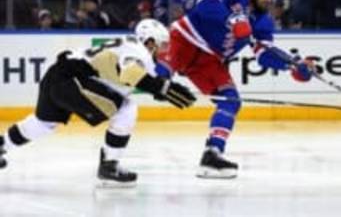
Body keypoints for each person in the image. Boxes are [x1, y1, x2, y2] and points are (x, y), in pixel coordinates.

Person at [154, 0, 313, 179]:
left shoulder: (263, 21)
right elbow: (204, 3)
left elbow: (264, 54)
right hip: (185, 39)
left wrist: (292, 64)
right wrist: (232, 20)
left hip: (209, 61)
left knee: (231, 100)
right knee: (158, 79)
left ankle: (212, 154)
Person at [0, 19, 196, 186]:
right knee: (126, 108)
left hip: (57, 74)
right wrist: (164, 88)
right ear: (150, 42)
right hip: (71, 80)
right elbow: (132, 73)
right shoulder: (138, 51)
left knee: (43, 123)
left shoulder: (126, 44)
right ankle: (109, 166)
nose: (164, 51)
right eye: (162, 45)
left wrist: (162, 90)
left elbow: (132, 78)